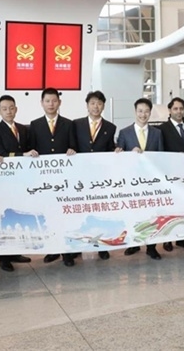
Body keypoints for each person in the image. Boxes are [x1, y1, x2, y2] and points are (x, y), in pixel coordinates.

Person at [28, 88, 78, 267]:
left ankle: (67, 252)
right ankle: (53, 249)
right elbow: (31, 149)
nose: (51, 104)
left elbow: (74, 146)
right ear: (42, 103)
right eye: (47, 101)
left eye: (54, 101)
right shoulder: (34, 125)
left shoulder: (69, 124)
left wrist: (72, 150)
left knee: (65, 215)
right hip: (44, 181)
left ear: (59, 102)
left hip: (64, 180)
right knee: (48, 215)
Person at [0, 95, 33, 272]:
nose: (8, 111)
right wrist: (23, 155)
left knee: (18, 215)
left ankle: (15, 252)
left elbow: (29, 149)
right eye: (4, 108)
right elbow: (0, 153)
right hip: (4, 181)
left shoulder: (23, 129)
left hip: (21, 180)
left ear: (16, 109)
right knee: (4, 216)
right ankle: (3, 257)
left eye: (11, 108)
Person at [72, 90, 118, 260]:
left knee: (100, 211)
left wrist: (116, 150)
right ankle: (76, 246)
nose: (96, 106)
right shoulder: (76, 124)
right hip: (80, 176)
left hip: (100, 177)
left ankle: (101, 246)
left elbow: (110, 148)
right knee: (79, 212)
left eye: (99, 103)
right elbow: (72, 145)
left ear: (103, 106)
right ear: (87, 105)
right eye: (92, 103)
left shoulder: (110, 127)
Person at [117, 97, 164, 259]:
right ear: (135, 111)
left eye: (146, 111)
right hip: (132, 182)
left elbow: (161, 157)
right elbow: (118, 158)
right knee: (134, 213)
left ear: (150, 113)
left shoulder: (157, 133)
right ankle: (134, 244)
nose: (143, 115)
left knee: (152, 215)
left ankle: (151, 247)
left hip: (151, 182)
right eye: (140, 111)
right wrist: (127, 154)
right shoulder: (124, 133)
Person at [157, 97, 184, 252]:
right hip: (171, 174)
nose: (179, 111)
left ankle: (182, 238)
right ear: (169, 110)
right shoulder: (162, 129)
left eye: (181, 109)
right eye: (175, 109)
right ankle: (167, 240)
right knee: (170, 208)